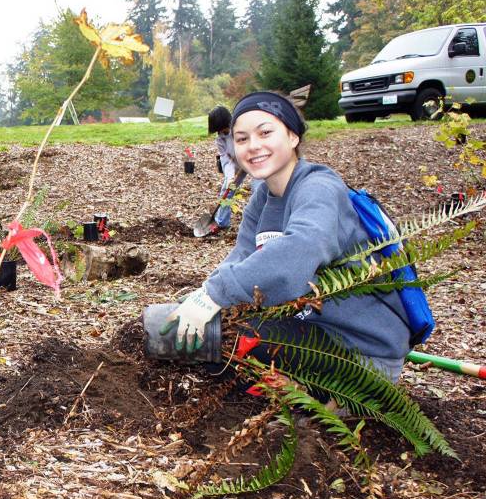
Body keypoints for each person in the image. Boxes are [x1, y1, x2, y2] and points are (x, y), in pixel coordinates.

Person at [162, 91, 410, 383]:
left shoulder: (319, 189)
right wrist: (201, 296)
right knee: (183, 328)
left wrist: (217, 294)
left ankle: (326, 404)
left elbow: (299, 251)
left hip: (358, 351)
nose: (253, 146)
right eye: (241, 139)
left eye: (265, 132)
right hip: (308, 329)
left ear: (293, 136)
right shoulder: (263, 196)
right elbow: (242, 257)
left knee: (224, 339)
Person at [207, 105, 241, 234]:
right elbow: (225, 160)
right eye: (219, 131)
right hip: (236, 164)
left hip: (254, 161)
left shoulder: (241, 130)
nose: (222, 133)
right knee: (227, 189)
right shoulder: (220, 139)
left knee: (259, 188)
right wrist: (230, 176)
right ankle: (222, 222)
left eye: (224, 129)